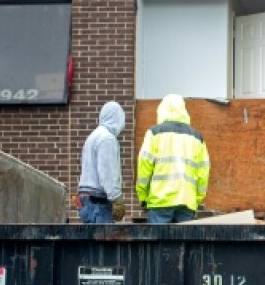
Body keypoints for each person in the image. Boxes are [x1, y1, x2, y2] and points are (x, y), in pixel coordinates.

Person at [136, 93, 210, 223]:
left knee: (158, 242)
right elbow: (203, 172)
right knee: (183, 243)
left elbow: (144, 166)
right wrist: (196, 198)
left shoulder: (154, 133)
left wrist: (143, 197)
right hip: (187, 202)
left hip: (160, 201)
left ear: (161, 110)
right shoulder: (197, 137)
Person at [77, 101, 125, 223]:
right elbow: (107, 172)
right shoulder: (107, 139)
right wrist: (116, 199)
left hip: (87, 201)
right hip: (98, 203)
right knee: (103, 240)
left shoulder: (93, 136)